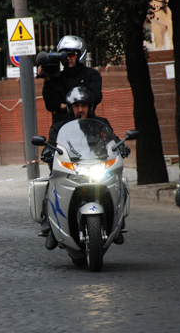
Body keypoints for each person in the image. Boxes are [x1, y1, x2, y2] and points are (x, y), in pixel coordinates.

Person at [42, 87, 130, 248]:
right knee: (50, 185)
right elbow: (52, 143)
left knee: (121, 184)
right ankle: (49, 226)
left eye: (84, 105)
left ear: (91, 107)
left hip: (97, 166)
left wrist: (121, 146)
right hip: (71, 169)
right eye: (76, 106)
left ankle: (119, 221)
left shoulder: (101, 124)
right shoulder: (60, 126)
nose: (80, 109)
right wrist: (47, 150)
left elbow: (113, 140)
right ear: (70, 107)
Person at [39, 35, 102, 161]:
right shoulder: (56, 78)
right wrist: (47, 79)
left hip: (87, 128)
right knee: (55, 162)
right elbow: (51, 105)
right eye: (64, 55)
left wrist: (64, 105)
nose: (68, 58)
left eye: (72, 54)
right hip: (62, 129)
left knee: (98, 159)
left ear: (80, 54)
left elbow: (95, 98)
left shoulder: (92, 75)